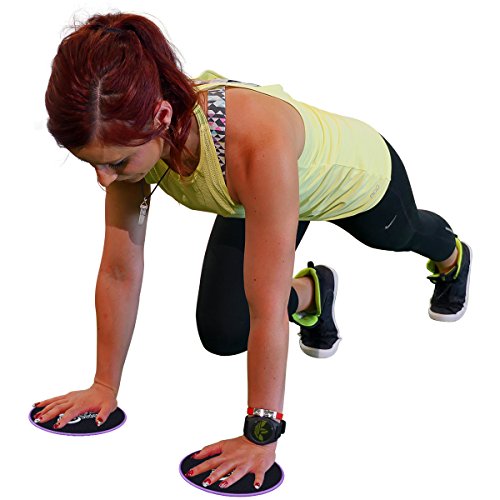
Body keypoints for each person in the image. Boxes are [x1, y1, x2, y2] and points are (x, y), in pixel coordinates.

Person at [35, 11, 472, 491]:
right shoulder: (130, 137)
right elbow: (120, 270)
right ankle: (313, 292)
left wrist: (260, 437)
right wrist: (103, 387)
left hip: (357, 181)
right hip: (261, 198)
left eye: (116, 163)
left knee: (401, 235)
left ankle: (452, 256)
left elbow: (267, 309)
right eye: (94, 165)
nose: (105, 180)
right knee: (224, 331)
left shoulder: (254, 145)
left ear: (161, 117)